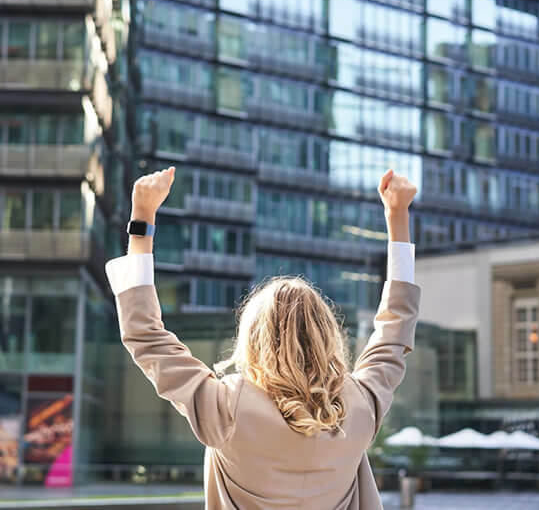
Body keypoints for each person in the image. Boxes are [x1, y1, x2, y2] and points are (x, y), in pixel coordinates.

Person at [106, 166, 420, 510]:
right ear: (327, 335)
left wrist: (142, 219)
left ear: (253, 338)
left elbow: (145, 334)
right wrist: (398, 216)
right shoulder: (361, 405)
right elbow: (395, 329)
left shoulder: (226, 407)